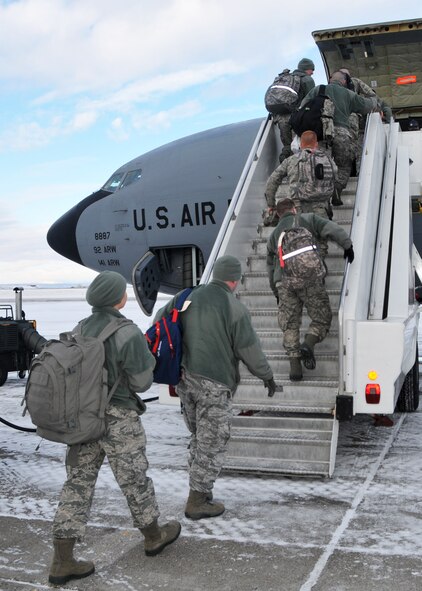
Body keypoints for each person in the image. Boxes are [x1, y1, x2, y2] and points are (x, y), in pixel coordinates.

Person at [49, 271, 181, 586]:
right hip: (119, 417)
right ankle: (153, 536)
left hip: (84, 418)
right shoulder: (127, 332)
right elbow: (141, 381)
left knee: (77, 484)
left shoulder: (79, 329)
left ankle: (62, 560)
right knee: (134, 480)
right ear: (117, 298)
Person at [153, 255, 275, 520]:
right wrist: (266, 376)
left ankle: (200, 491)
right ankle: (197, 500)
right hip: (214, 383)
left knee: (199, 437)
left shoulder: (186, 296)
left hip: (184, 381)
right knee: (213, 442)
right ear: (234, 280)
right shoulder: (234, 307)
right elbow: (248, 349)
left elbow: (158, 323)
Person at [266, 199, 354, 381]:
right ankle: (308, 343)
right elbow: (332, 229)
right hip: (310, 279)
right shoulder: (308, 219)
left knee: (290, 324)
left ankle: (295, 368)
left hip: (284, 282)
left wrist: (276, 291)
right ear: (294, 209)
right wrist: (347, 245)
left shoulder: (274, 234)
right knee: (322, 318)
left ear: (278, 214)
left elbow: (269, 266)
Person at [300, 70, 380, 206]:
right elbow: (366, 105)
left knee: (320, 166)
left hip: (320, 135)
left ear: (330, 80)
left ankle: (320, 196)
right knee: (344, 166)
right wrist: (374, 100)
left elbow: (303, 105)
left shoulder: (318, 89)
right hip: (341, 133)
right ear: (343, 82)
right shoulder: (349, 94)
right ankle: (337, 188)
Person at [264, 130, 338, 257]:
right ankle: (318, 271)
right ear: (316, 144)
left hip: (297, 210)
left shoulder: (291, 160)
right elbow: (335, 176)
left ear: (300, 144)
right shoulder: (327, 159)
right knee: (320, 244)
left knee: (298, 243)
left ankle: (301, 271)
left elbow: (272, 180)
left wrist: (271, 203)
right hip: (321, 208)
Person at [340, 67, 392, 174]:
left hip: (340, 124)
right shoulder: (356, 83)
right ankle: (360, 173)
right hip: (356, 125)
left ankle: (347, 175)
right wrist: (374, 107)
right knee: (359, 151)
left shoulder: (332, 87)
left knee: (344, 152)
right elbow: (372, 96)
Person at [271, 58, 315, 163]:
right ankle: (300, 169)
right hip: (296, 116)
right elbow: (312, 100)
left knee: (287, 145)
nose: (312, 72)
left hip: (280, 117)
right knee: (299, 145)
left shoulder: (284, 78)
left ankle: (284, 164)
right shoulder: (307, 79)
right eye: (311, 69)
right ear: (306, 69)